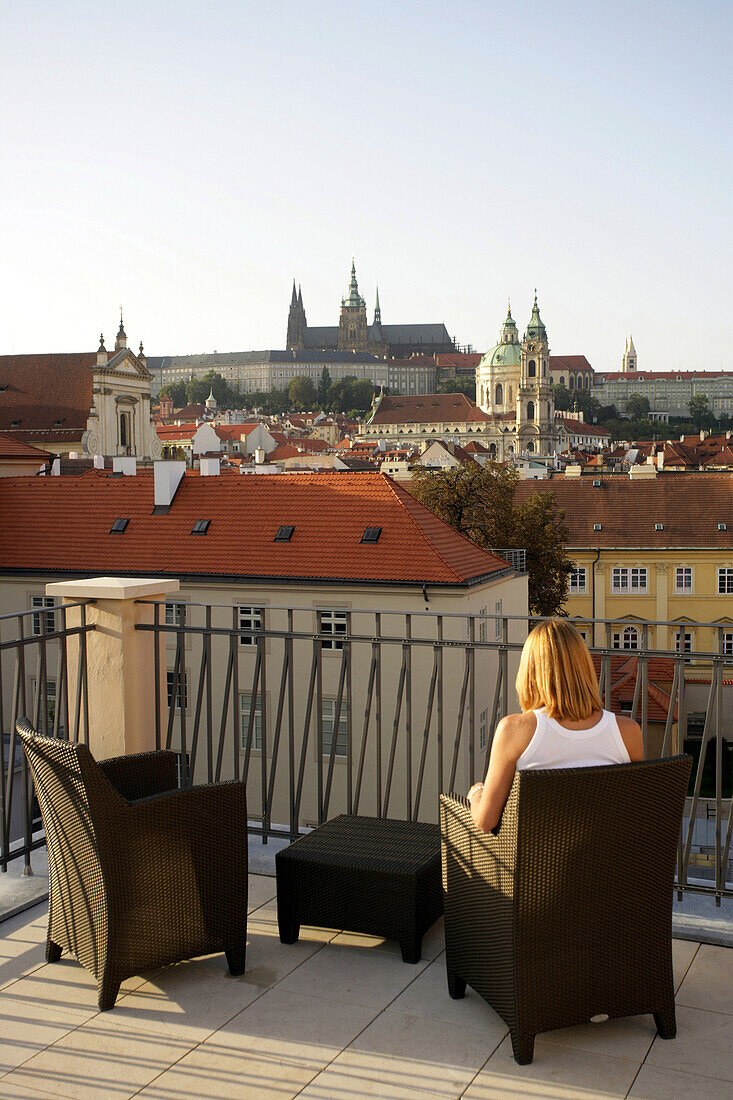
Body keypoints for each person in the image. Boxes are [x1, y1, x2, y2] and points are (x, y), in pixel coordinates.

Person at [468, 619, 643, 832]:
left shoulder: (515, 730)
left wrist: (477, 794)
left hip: (536, 863)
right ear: (584, 667)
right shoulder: (628, 732)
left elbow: (485, 822)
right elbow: (635, 812)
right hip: (610, 862)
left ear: (530, 671)